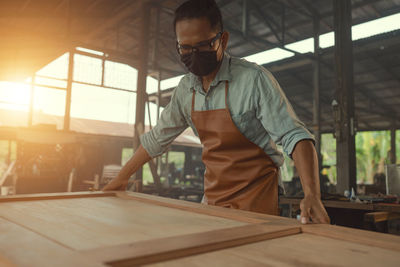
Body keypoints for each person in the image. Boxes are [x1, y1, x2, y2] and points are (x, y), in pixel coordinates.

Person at [103, 0, 330, 224]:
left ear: (223, 40)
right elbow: (156, 140)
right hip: (213, 200)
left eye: (203, 46)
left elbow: (296, 137)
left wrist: (312, 195)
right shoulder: (185, 90)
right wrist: (121, 178)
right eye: (185, 48)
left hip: (258, 201)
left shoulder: (253, 80)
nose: (194, 54)